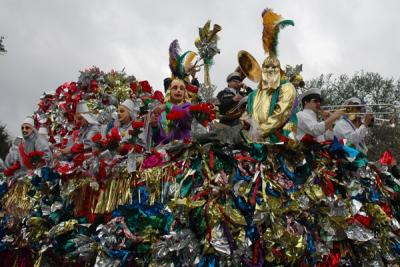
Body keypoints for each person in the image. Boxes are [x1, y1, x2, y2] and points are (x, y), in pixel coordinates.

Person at [242, 9, 297, 143]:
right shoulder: (253, 95)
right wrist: (244, 124)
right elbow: (246, 115)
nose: (270, 70)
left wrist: (260, 132)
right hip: (254, 145)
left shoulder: (287, 88)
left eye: (274, 67)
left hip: (279, 144)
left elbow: (281, 114)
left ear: (279, 70)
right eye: (266, 67)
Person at [151, 78, 192, 145]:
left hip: (184, 149)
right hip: (167, 151)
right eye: (175, 88)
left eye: (181, 89)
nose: (178, 90)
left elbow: (185, 118)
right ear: (170, 91)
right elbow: (158, 140)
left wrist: (167, 105)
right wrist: (155, 127)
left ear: (185, 93)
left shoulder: (188, 107)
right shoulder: (162, 113)